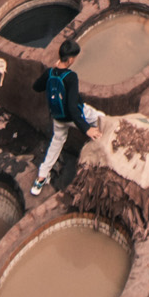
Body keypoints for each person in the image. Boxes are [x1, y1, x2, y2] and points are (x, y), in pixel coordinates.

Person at [30, 36, 96, 195]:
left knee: (55, 145)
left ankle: (40, 180)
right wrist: (87, 129)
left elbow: (36, 87)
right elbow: (74, 108)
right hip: (75, 117)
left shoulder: (50, 72)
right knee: (100, 118)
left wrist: (51, 74)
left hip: (58, 118)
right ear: (71, 59)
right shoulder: (71, 77)